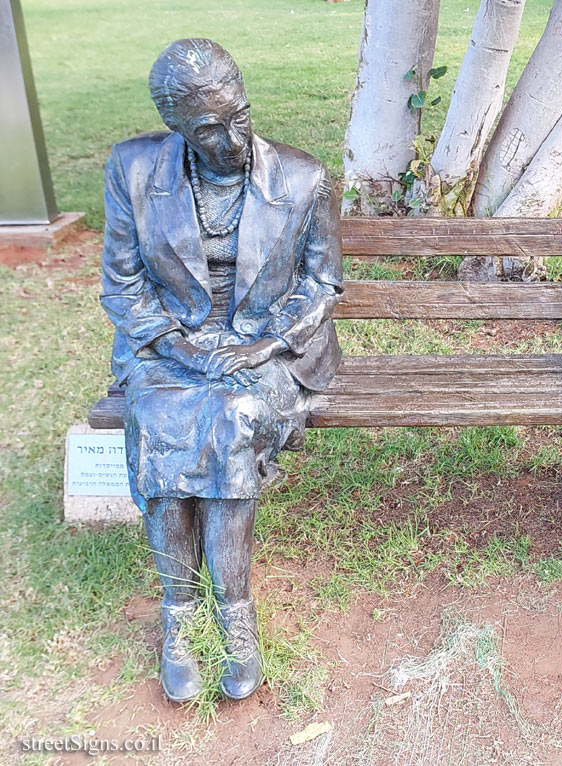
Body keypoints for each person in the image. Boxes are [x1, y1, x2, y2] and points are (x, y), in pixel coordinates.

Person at [101, 39, 343, 702]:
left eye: (238, 115)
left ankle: (236, 620)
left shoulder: (300, 177)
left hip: (268, 343)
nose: (232, 137)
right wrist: (177, 346)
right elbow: (121, 285)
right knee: (160, 423)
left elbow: (322, 284)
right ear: (176, 126)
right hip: (169, 343)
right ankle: (179, 619)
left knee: (234, 419)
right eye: (209, 129)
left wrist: (263, 347)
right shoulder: (132, 170)